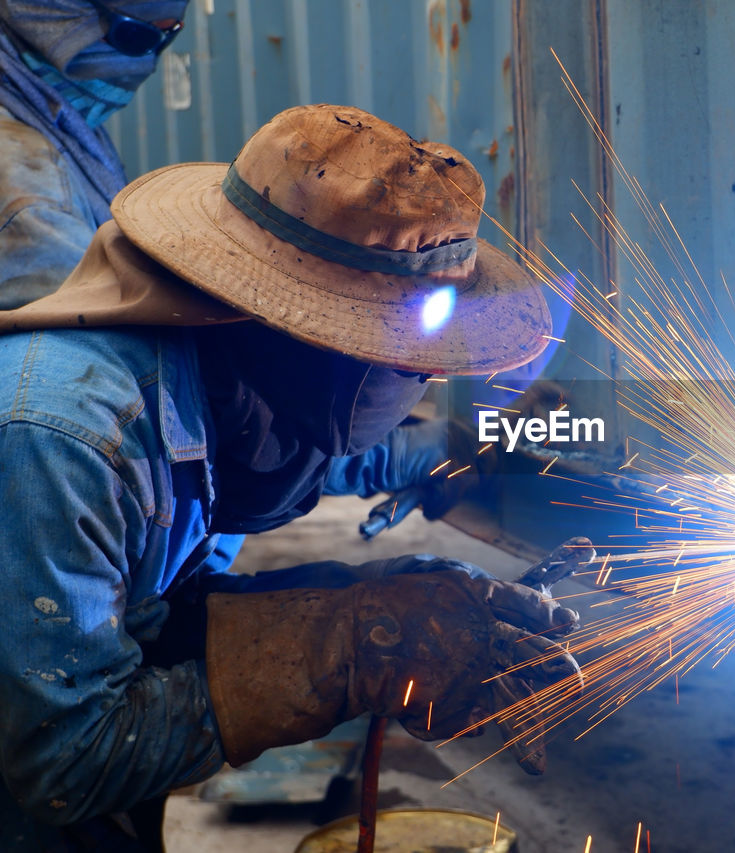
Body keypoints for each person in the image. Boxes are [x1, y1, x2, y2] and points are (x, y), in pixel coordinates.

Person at [0, 103, 582, 851]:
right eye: (407, 353)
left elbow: (334, 463)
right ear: (291, 321)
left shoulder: (246, 382)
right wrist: (353, 646)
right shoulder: (66, 440)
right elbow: (63, 759)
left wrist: (386, 596)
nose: (433, 372)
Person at [0, 0, 189, 309]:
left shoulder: (58, 116)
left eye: (169, 35)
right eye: (137, 37)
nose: (147, 61)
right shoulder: (32, 189)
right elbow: (87, 336)